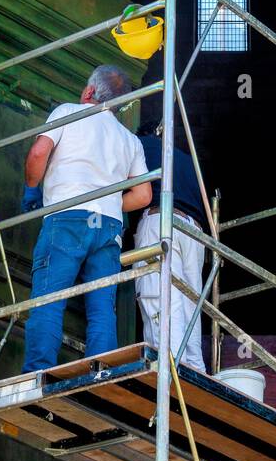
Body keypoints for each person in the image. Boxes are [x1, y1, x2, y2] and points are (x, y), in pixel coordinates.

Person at [21, 65, 151, 373]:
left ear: (89, 92)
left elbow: (39, 153)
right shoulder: (129, 139)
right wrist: (107, 202)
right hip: (108, 227)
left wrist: (30, 189)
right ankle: (100, 374)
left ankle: (37, 373)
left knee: (49, 300)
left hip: (68, 217)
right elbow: (144, 195)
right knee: (102, 308)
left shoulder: (69, 111)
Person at [133, 122, 207, 372]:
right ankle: (195, 372)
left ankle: (171, 374)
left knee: (161, 300)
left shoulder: (138, 145)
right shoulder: (186, 160)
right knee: (190, 305)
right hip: (194, 233)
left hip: (161, 223)